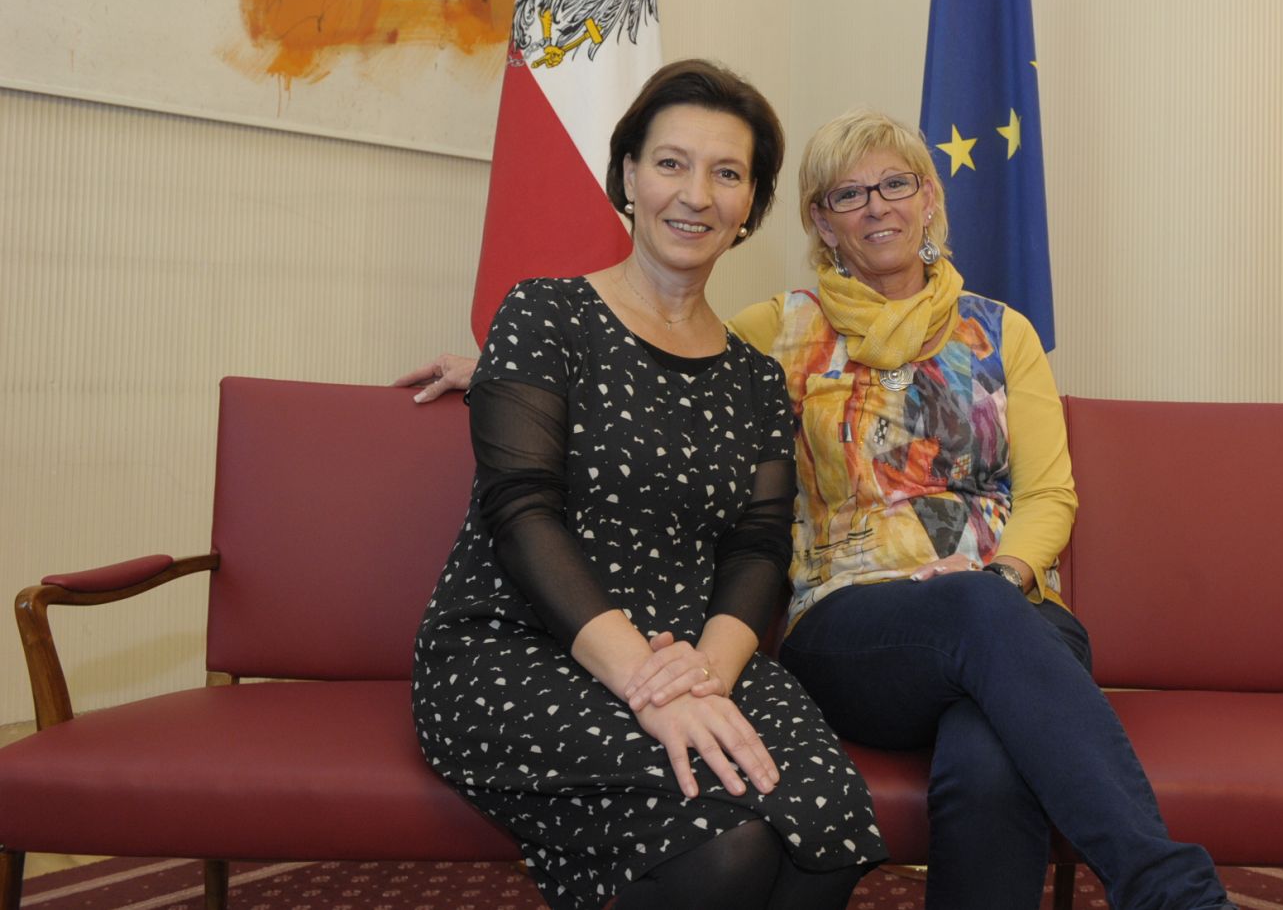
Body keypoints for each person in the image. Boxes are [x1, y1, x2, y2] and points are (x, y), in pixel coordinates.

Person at [401, 110, 1235, 910]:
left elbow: (1049, 492)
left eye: (896, 183)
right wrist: (510, 371)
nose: (877, 205)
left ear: (931, 198)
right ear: (820, 222)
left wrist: (1008, 570)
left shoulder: (1001, 331)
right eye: (848, 192)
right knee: (976, 622)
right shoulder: (781, 331)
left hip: (1009, 615)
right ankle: (1174, 892)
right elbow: (654, 356)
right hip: (859, 623)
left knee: (991, 757)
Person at [410, 61, 884, 910]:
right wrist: (644, 684)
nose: (695, 193)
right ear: (628, 174)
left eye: (727, 173)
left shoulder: (752, 377)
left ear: (750, 208)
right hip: (523, 644)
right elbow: (521, 513)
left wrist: (701, 673)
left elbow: (759, 545)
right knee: (724, 838)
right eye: (671, 163)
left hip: (694, 650)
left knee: (826, 825)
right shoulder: (545, 314)